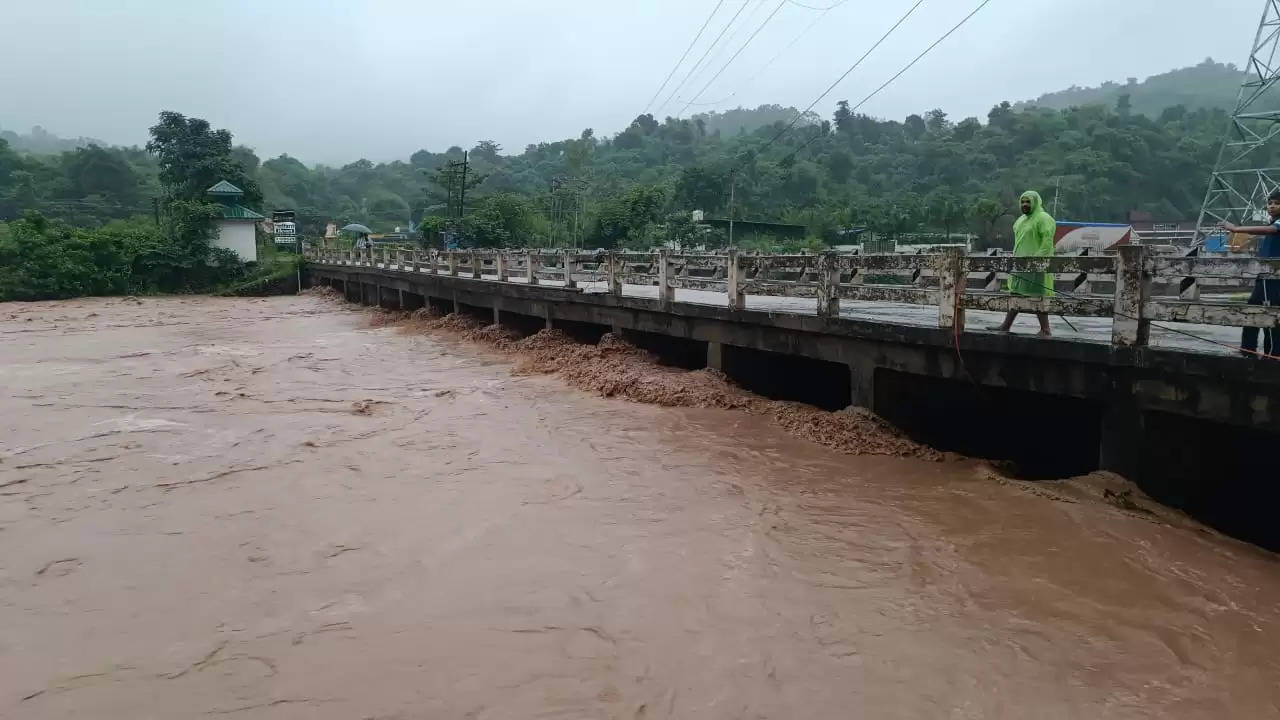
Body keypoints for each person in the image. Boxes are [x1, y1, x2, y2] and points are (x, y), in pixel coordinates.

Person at [1218, 188, 1280, 356]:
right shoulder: (1272, 224)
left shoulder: (1277, 225)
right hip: (1264, 276)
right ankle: (1248, 351)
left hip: (1274, 277)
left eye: (1277, 203)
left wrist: (1237, 229)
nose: (1272, 206)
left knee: (1271, 315)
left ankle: (1273, 355)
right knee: (1252, 310)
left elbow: (1270, 230)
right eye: (1270, 203)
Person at [995, 190, 1056, 337]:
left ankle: (1045, 329)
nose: (1025, 204)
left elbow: (1047, 242)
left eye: (1028, 201)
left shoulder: (1043, 218)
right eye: (1022, 202)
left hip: (1036, 265)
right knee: (1015, 293)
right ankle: (1005, 326)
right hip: (1020, 264)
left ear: (1035, 202)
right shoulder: (1020, 220)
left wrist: (1036, 260)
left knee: (1038, 295)